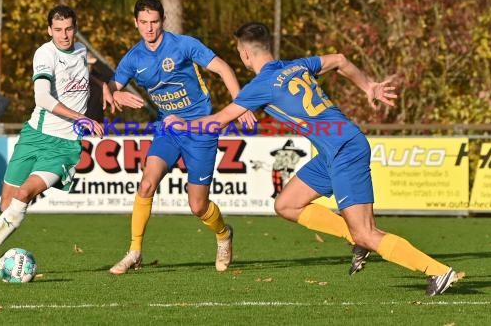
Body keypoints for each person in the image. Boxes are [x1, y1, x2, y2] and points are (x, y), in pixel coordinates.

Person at [164, 22, 459, 296]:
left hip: (344, 149)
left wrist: (180, 123)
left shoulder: (260, 85)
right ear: (269, 47)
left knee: (367, 233)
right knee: (287, 204)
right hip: (334, 149)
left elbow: (216, 122)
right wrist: (369, 85)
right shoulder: (298, 65)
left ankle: (437, 271)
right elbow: (341, 59)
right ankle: (354, 237)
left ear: (244, 54)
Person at [0, 5, 111, 273]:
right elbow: (43, 98)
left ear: (76, 29)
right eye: (58, 30)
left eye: (69, 29)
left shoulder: (82, 52)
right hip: (33, 137)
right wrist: (81, 117)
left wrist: (105, 87)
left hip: (64, 146)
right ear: (50, 30)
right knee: (6, 204)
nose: (64, 35)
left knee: (24, 193)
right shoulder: (45, 54)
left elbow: (85, 74)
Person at [107, 0, 256, 275]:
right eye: (144, 23)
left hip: (201, 129)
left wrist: (241, 105)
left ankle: (223, 234)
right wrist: (114, 92)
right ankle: (134, 251)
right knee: (146, 184)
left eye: (154, 22)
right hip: (168, 128)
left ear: (163, 21)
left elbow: (224, 68)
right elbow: (111, 84)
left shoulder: (184, 45)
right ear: (136, 23)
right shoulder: (134, 58)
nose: (149, 29)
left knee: (198, 206)